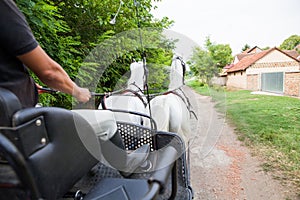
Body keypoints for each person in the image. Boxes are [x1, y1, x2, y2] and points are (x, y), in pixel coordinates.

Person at [0, 0, 91, 108]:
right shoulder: (3, 6)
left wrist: (29, 87)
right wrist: (78, 91)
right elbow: (49, 72)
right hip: (11, 114)